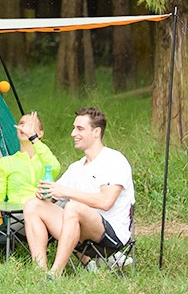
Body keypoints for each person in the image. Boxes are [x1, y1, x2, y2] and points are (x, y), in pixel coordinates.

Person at [23, 107, 135, 278]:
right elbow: (54, 195)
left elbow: (106, 201)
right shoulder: (76, 167)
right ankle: (40, 271)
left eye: (80, 129)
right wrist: (45, 193)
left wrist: (66, 192)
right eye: (74, 128)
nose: (73, 133)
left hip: (111, 236)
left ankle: (55, 273)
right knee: (33, 205)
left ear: (96, 132)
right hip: (77, 232)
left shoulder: (114, 160)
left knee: (73, 207)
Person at [0, 111, 60, 205]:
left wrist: (33, 138)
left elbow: (55, 168)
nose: (25, 128)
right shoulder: (6, 162)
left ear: (40, 134)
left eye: (30, 125)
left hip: (45, 211)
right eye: (21, 124)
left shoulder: (45, 158)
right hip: (18, 214)